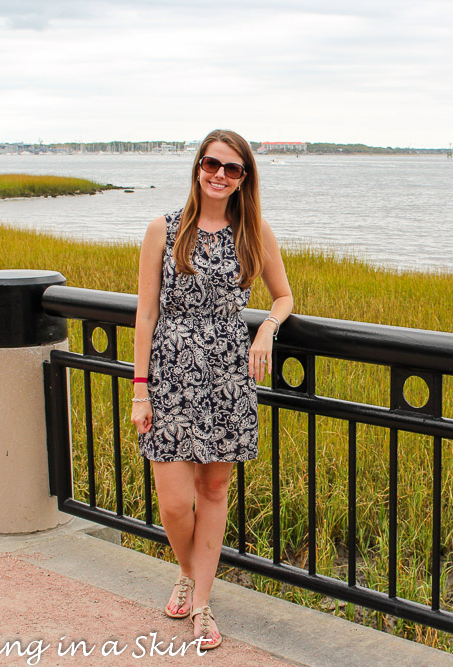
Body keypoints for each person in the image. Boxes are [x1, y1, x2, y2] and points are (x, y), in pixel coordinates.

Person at [130, 129, 293, 650]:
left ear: (245, 177)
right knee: (176, 502)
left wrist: (266, 327)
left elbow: (284, 295)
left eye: (233, 168)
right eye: (212, 164)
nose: (220, 175)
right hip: (170, 375)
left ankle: (201, 603)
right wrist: (140, 389)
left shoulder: (254, 232)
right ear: (198, 167)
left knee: (214, 491)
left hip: (227, 375)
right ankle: (186, 569)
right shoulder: (165, 229)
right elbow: (146, 312)